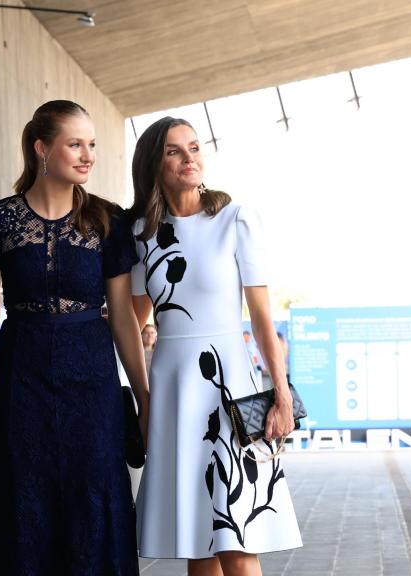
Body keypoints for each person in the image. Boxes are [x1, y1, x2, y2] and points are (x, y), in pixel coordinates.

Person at [0, 100, 148, 575]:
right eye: (75, 144)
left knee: (94, 502)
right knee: (24, 499)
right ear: (42, 148)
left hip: (92, 379)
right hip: (21, 377)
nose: (87, 155)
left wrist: (144, 394)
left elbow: (125, 318)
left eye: (92, 144)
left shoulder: (108, 221)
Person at [129, 117, 301, 575]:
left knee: (237, 537)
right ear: (153, 164)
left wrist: (281, 393)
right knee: (198, 540)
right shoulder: (142, 236)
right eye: (174, 151)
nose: (190, 158)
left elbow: (263, 321)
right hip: (173, 390)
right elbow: (133, 320)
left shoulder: (235, 219)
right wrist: (143, 398)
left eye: (195, 147)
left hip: (229, 387)